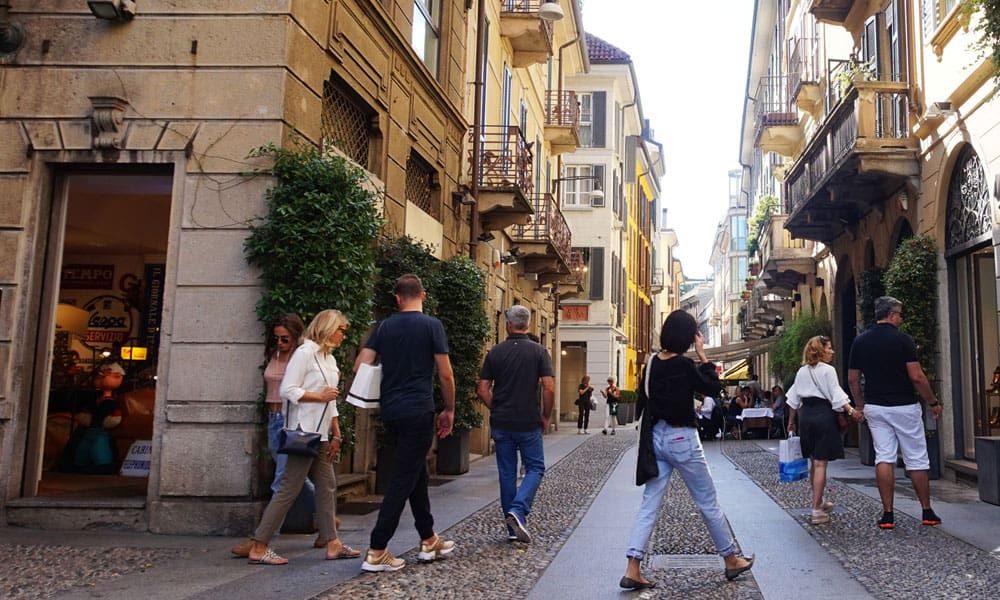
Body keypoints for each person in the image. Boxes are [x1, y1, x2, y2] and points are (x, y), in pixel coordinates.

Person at [620, 310, 753, 590]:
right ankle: (730, 559)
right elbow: (713, 388)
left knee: (650, 503)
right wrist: (703, 356)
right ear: (688, 338)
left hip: (656, 437)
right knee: (707, 500)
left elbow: (644, 401)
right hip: (682, 438)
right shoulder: (684, 365)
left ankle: (633, 566)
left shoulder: (652, 363)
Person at [355, 274, 457, 572]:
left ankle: (429, 539)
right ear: (422, 295)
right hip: (418, 409)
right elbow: (446, 374)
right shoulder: (432, 326)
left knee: (416, 472)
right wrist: (449, 408)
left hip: (391, 410)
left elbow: (360, 365)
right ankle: (377, 549)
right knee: (402, 478)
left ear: (397, 298)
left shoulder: (384, 326)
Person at [246, 309, 360, 565]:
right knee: (289, 488)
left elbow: (331, 400)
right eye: (341, 330)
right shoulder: (305, 353)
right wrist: (319, 396)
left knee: (327, 486)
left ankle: (332, 542)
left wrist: (337, 433)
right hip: (302, 431)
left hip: (320, 433)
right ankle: (259, 544)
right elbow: (288, 390)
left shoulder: (329, 358)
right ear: (328, 328)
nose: (343, 335)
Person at [232, 313, 331, 557]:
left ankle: (262, 539)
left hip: (291, 422)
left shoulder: (302, 356)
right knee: (295, 478)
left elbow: (301, 389)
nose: (280, 342)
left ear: (296, 337)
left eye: (285, 338)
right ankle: (327, 524)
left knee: (282, 481)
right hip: (273, 419)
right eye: (276, 338)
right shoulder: (274, 354)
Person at [848, 296, 943, 529]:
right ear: (891, 315)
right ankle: (927, 511)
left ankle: (888, 514)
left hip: (875, 406)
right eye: (900, 314)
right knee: (916, 457)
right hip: (904, 405)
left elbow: (853, 379)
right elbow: (917, 376)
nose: (901, 318)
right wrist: (932, 401)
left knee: (884, 457)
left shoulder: (860, 341)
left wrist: (860, 405)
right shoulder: (903, 340)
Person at [476, 305, 555, 543]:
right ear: (528, 325)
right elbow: (548, 387)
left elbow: (483, 389)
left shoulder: (495, 352)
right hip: (528, 420)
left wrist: (497, 407)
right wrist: (546, 415)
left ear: (508, 325)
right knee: (535, 468)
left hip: (502, 421)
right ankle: (518, 510)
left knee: (507, 473)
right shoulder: (539, 352)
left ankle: (512, 531)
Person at [786, 335, 856, 525]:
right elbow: (837, 395)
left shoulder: (802, 371)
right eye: (829, 348)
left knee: (813, 462)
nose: (832, 351)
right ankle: (816, 509)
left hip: (806, 417)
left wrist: (791, 421)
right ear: (820, 350)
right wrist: (851, 410)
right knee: (820, 464)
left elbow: (793, 399)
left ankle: (820, 501)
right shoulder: (828, 370)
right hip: (823, 416)